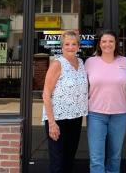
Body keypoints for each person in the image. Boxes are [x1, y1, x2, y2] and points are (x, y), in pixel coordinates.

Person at [42, 30, 88, 173]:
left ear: (78, 47)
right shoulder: (57, 64)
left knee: (69, 159)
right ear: (62, 47)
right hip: (58, 119)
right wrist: (52, 123)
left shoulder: (81, 63)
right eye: (67, 44)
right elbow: (46, 94)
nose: (70, 47)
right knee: (58, 162)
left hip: (75, 118)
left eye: (73, 44)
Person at [85, 30, 126, 173]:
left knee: (115, 156)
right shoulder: (90, 62)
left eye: (111, 41)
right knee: (96, 157)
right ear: (99, 44)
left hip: (120, 115)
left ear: (116, 44)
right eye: (104, 41)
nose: (107, 44)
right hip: (96, 114)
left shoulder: (125, 61)